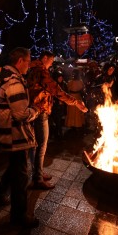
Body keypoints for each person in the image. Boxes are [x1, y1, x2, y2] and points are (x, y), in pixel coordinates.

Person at [0, 47, 41, 228]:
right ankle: (19, 217)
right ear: (20, 62)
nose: (29, 65)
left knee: (14, 167)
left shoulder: (1, 77)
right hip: (15, 136)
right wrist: (36, 110)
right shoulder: (14, 82)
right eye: (28, 61)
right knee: (21, 176)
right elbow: (20, 114)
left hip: (3, 133)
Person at [27, 50, 88, 190]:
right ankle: (37, 178)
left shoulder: (33, 69)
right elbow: (57, 91)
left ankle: (38, 172)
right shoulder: (41, 72)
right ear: (44, 58)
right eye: (51, 60)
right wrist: (76, 103)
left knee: (36, 145)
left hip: (35, 110)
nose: (52, 62)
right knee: (41, 145)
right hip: (40, 110)